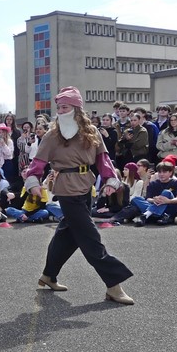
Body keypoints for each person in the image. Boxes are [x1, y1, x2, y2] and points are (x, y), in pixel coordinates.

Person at [24, 86, 133, 304]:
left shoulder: (91, 131)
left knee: (68, 233)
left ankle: (49, 275)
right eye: (59, 107)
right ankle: (113, 284)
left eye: (65, 107)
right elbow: (37, 163)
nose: (60, 111)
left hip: (86, 186)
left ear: (76, 108)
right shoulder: (52, 135)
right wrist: (33, 181)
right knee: (90, 237)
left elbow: (103, 159)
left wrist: (111, 180)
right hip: (66, 188)